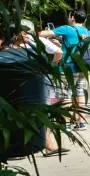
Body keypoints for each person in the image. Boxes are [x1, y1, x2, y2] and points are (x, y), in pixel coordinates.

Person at [5, 21, 68, 157]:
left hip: (36, 81)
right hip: (24, 82)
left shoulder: (32, 42)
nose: (27, 34)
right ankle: (33, 146)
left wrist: (48, 66)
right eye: (24, 31)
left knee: (41, 111)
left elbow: (58, 51)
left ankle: (47, 145)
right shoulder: (16, 44)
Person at [40, 9, 90, 130]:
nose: (69, 18)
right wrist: (61, 42)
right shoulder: (88, 32)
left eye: (69, 16)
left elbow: (42, 34)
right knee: (80, 94)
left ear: (73, 17)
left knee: (65, 95)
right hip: (82, 67)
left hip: (67, 67)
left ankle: (67, 123)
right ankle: (81, 123)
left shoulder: (66, 29)